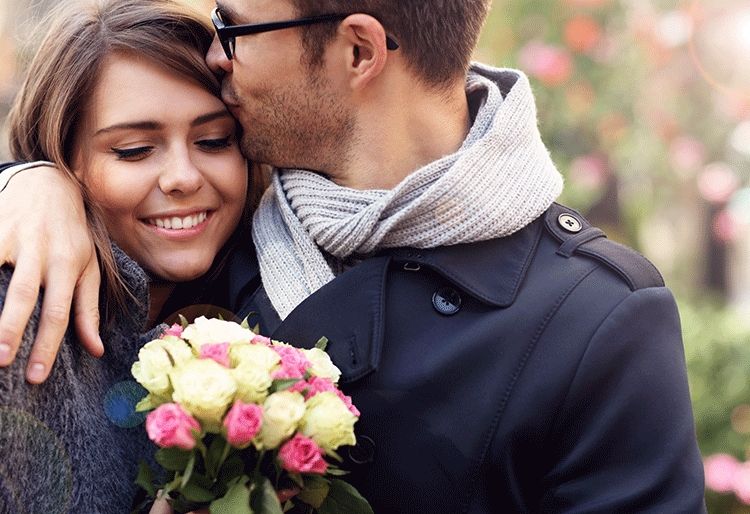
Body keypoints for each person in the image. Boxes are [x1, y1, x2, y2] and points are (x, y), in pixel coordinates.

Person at [0, 0, 707, 511]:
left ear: (358, 51)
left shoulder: (597, 318)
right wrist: (31, 180)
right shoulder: (211, 230)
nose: (217, 54)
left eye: (235, 25)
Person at [0, 0, 261, 511]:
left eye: (214, 140)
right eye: (135, 150)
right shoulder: (19, 304)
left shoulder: (278, 291)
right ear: (61, 155)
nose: (183, 177)